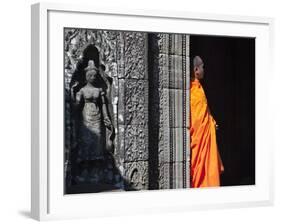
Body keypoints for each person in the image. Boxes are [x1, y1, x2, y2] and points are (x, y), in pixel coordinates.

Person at [190, 56, 224, 188]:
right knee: (201, 176)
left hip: (205, 139)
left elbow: (204, 112)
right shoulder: (193, 90)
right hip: (199, 141)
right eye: (203, 67)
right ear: (196, 69)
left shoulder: (198, 88)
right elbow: (197, 120)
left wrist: (211, 122)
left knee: (209, 174)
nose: (204, 70)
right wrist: (208, 124)